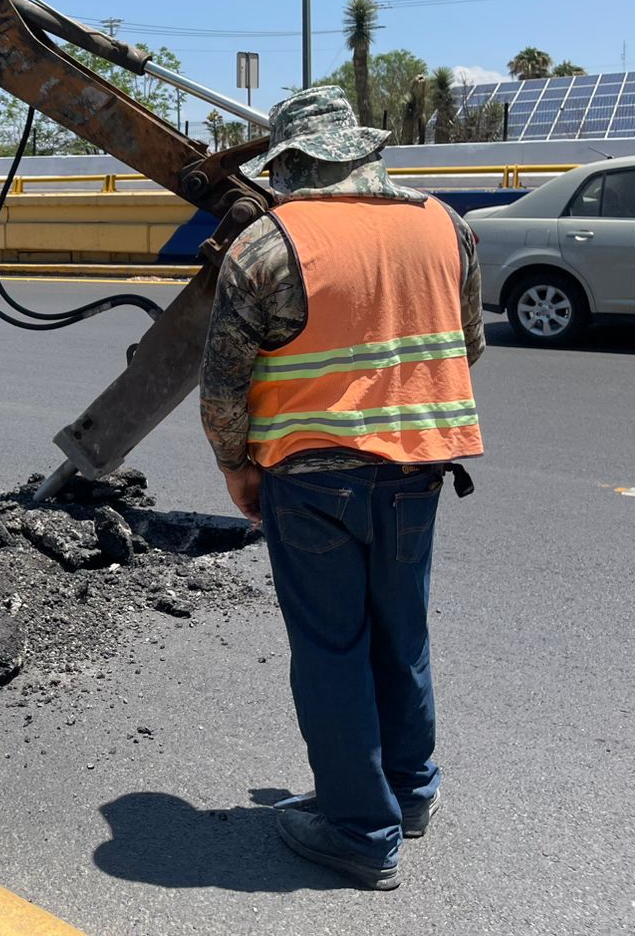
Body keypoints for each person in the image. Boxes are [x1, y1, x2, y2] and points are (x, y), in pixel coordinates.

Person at [199, 86, 484, 891]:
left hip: (312, 481)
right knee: (404, 633)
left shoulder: (267, 246)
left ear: (289, 167)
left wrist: (237, 469)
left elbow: (223, 387)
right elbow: (467, 345)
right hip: (418, 473)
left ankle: (359, 830)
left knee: (332, 651)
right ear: (362, 151)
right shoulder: (446, 227)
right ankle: (411, 793)